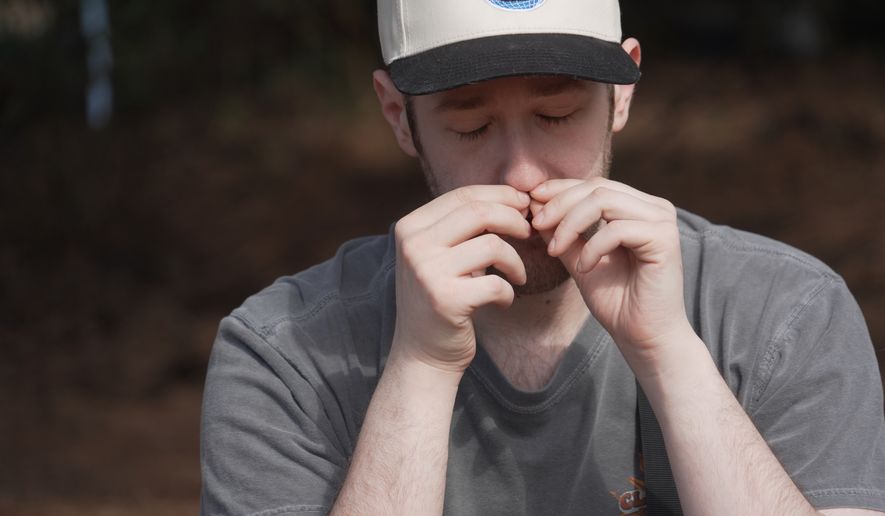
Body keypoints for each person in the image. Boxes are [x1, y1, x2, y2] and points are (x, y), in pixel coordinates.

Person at [199, 1, 885, 514]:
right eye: (470, 124)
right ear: (395, 114)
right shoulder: (284, 353)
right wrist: (420, 366)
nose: (521, 172)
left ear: (621, 93)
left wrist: (669, 351)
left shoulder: (784, 311)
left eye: (556, 116)